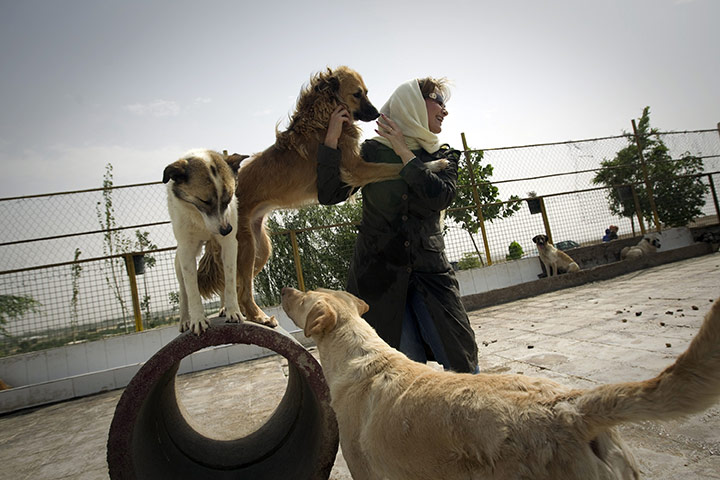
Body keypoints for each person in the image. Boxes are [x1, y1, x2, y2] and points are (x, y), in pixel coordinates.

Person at [316, 77, 479, 373]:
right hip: (379, 280)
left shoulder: (443, 155)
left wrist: (405, 153)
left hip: (431, 274)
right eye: (438, 100)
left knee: (463, 363)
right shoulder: (371, 152)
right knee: (405, 373)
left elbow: (439, 197)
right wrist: (331, 141)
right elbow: (330, 194)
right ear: (413, 102)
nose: (445, 110)